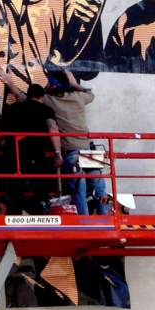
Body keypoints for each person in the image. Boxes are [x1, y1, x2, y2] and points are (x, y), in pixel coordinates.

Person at [43, 70, 108, 215]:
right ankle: (107, 218)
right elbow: (90, 94)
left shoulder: (49, 100)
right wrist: (75, 84)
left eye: (48, 83)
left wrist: (10, 83)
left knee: (79, 191)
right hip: (89, 149)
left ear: (53, 86)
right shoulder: (78, 97)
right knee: (99, 190)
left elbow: (30, 98)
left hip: (72, 153)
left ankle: (84, 222)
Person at [0, 83, 62, 216]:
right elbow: (52, 128)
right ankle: (42, 220)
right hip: (36, 155)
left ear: (27, 96)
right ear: (42, 97)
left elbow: (0, 131)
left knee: (14, 193)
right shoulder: (45, 109)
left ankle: (13, 221)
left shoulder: (12, 109)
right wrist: (57, 153)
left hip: (14, 155)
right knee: (40, 191)